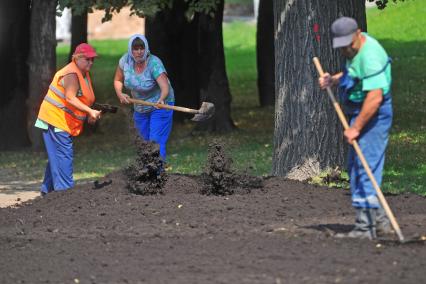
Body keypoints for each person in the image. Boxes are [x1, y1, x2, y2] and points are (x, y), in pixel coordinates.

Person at [319, 17, 393, 240]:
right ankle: (380, 223)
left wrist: (356, 127)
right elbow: (354, 74)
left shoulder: (371, 55)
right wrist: (334, 80)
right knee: (356, 167)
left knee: (365, 167)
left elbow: (375, 97)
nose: (346, 49)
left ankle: (365, 228)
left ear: (358, 34)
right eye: (341, 46)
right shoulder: (354, 52)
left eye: (348, 44)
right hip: (360, 113)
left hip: (373, 116)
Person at [35, 43, 102, 196]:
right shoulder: (71, 74)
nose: (91, 62)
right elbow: (70, 98)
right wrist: (90, 111)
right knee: (63, 154)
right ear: (76, 58)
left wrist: (89, 115)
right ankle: (64, 193)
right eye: (87, 59)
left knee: (57, 155)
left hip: (63, 121)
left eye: (93, 60)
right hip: (55, 119)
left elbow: (82, 101)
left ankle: (47, 192)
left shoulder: (83, 74)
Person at [113, 34, 174, 162]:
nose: (139, 51)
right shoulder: (125, 61)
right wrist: (120, 93)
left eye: (142, 48)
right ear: (131, 49)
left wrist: (161, 99)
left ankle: (157, 175)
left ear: (146, 48)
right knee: (142, 141)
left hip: (160, 104)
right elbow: (118, 79)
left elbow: (165, 87)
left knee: (155, 140)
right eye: (135, 48)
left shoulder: (154, 63)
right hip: (140, 107)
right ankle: (145, 174)